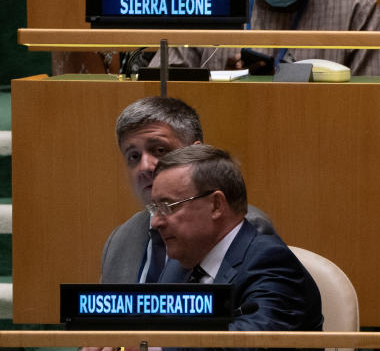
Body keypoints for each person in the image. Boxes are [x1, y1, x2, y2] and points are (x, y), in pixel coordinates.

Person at [79, 145, 324, 351]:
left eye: (168, 207)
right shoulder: (178, 265)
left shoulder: (270, 260)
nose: (156, 222)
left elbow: (254, 340)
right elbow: (151, 329)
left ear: (216, 205)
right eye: (154, 209)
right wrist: (117, 341)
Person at [102, 96, 274, 284]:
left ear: (196, 154)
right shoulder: (120, 240)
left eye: (160, 150)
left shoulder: (242, 228)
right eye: (134, 156)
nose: (145, 167)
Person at [151, 0, 380, 76]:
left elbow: (376, 104)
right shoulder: (214, 5)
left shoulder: (357, 9)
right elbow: (158, 93)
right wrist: (222, 81)